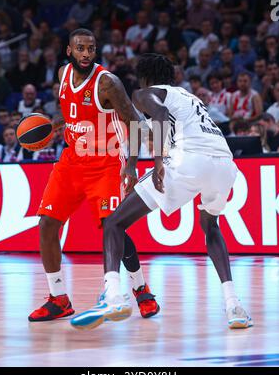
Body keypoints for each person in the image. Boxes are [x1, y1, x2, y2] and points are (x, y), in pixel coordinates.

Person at [71, 53, 252, 330]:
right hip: (225, 164)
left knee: (115, 223)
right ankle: (233, 305)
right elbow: (145, 124)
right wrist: (133, 164)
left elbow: (160, 114)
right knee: (211, 226)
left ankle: (113, 295)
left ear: (144, 78)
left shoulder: (145, 93)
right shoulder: (189, 97)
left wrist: (158, 161)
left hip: (188, 160)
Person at [28, 29, 159, 322]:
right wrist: (53, 127)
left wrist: (133, 163)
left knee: (112, 226)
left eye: (91, 49)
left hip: (107, 161)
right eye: (80, 48)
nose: (86, 53)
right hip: (73, 161)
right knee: (47, 224)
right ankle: (58, 298)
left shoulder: (108, 83)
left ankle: (141, 289)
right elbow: (74, 114)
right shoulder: (62, 75)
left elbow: (136, 121)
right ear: (69, 51)